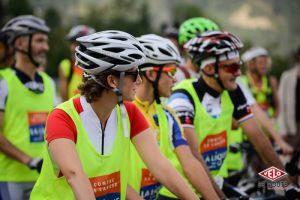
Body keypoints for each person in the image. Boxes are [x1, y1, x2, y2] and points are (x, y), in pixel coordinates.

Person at [30, 30, 198, 200]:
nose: (140, 80)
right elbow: (75, 177)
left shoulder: (130, 112)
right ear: (112, 81)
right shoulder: (62, 118)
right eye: (134, 74)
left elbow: (161, 166)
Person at [168, 30, 300, 198]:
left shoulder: (232, 92)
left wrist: (284, 184)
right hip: (181, 190)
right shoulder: (183, 98)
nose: (238, 73)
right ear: (209, 68)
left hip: (215, 182)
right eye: (232, 67)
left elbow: (259, 141)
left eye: (239, 65)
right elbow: (194, 157)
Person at [129, 34, 221, 200]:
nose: (174, 79)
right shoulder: (121, 111)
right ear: (150, 74)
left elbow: (189, 163)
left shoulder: (167, 114)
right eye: (171, 72)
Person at [0, 15, 56, 200]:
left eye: (46, 42)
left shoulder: (49, 83)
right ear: (21, 44)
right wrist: (30, 161)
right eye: (40, 41)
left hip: (43, 177)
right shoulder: (4, 82)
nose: (46, 48)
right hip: (11, 178)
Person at [174, 17, 220, 82]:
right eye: (199, 45)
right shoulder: (177, 76)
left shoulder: (218, 75)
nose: (207, 50)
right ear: (185, 46)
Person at [58, 25, 95, 102]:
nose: (72, 48)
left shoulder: (99, 68)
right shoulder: (66, 66)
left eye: (77, 44)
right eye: (72, 43)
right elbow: (63, 99)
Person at [240, 47, 279, 118]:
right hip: (252, 126)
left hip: (270, 125)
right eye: (260, 62)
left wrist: (273, 121)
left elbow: (278, 106)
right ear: (251, 64)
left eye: (266, 62)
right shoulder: (242, 82)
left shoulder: (271, 81)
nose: (264, 66)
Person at [278, 46, 300, 149]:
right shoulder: (287, 76)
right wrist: (282, 129)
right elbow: (281, 103)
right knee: (290, 160)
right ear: (298, 56)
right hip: (292, 127)